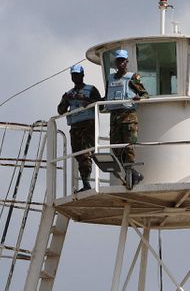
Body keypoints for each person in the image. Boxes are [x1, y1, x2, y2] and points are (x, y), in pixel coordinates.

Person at [105, 49, 149, 186]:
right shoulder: (111, 78)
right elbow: (105, 97)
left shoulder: (132, 77)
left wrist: (138, 97)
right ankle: (135, 174)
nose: (120, 63)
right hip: (115, 118)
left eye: (122, 60)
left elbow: (145, 94)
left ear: (126, 62)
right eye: (118, 60)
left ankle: (131, 175)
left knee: (129, 147)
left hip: (128, 117)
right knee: (116, 148)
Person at [57, 63, 103, 191]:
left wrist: (88, 102)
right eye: (73, 75)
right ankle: (85, 183)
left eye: (77, 74)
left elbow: (101, 104)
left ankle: (86, 184)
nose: (75, 77)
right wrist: (66, 99)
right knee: (78, 154)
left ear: (82, 75)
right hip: (75, 128)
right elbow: (60, 110)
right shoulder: (68, 94)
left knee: (86, 154)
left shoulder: (91, 90)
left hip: (88, 126)